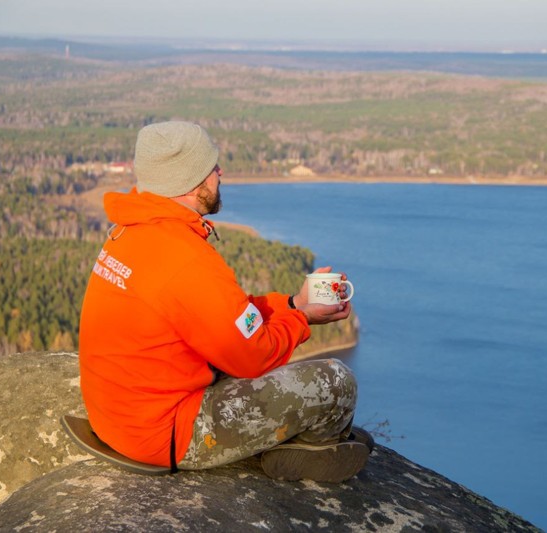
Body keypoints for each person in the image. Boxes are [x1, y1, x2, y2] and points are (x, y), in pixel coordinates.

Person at [78, 121, 370, 482]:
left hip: (120, 419)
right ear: (189, 181)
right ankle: (304, 447)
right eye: (211, 167)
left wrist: (292, 305)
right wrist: (301, 322)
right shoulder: (184, 258)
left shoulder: (131, 230)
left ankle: (314, 439)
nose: (220, 172)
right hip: (166, 434)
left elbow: (224, 316)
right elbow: (253, 356)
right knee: (337, 383)